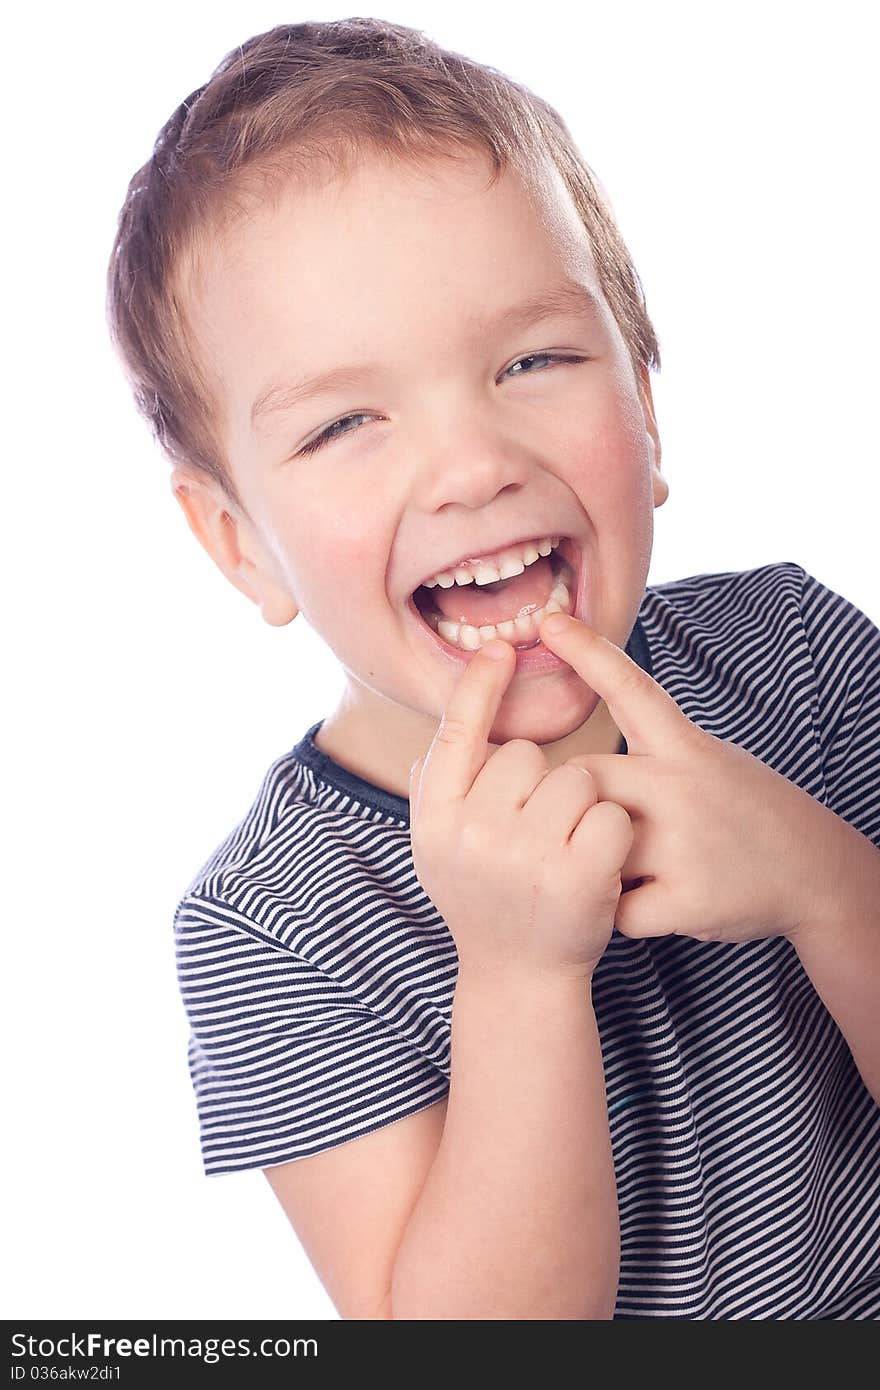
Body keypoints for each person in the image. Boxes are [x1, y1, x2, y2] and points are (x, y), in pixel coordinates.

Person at [105, 17, 880, 1319]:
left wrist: (828, 882)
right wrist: (519, 976)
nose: (474, 467)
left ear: (647, 402)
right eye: (347, 421)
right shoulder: (274, 923)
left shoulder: (796, 656)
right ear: (241, 546)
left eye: (535, 360)